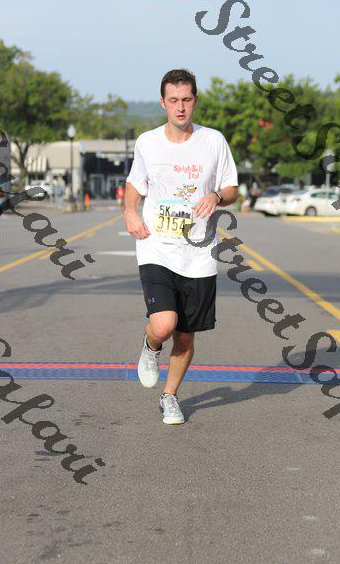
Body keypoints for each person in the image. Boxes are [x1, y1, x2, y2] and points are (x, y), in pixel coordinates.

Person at [124, 69, 239, 425]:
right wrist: (129, 212)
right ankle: (151, 346)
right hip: (156, 247)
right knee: (163, 325)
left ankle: (169, 396)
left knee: (185, 337)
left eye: (186, 99)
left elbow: (232, 189)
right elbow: (135, 184)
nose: (180, 107)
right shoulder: (147, 142)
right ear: (163, 102)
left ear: (195, 101)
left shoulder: (213, 141)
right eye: (173, 100)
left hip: (199, 254)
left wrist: (215, 196)